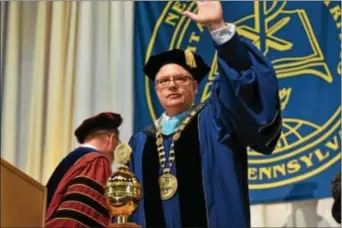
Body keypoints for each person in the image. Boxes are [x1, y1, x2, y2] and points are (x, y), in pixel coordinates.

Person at [128, 2, 282, 228]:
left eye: (181, 79)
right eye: (163, 81)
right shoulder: (140, 141)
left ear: (195, 87)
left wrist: (219, 30)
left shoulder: (216, 119)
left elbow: (242, 83)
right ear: (156, 90)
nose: (172, 85)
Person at [45, 112, 122, 228]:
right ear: (111, 139)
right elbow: (79, 217)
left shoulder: (73, 161)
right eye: (118, 142)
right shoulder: (97, 162)